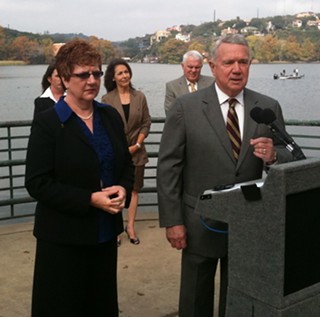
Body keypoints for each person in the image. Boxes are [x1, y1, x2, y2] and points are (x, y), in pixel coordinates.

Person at [157, 34, 294, 317]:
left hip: (250, 224)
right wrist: (173, 221)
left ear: (250, 64)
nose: (237, 68)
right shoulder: (186, 108)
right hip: (199, 223)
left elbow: (289, 152)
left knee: (240, 300)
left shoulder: (267, 107)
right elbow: (169, 167)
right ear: (212, 66)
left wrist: (273, 156)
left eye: (243, 62)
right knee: (196, 300)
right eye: (229, 62)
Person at [25, 40, 134, 317]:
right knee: (64, 306)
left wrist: (123, 187)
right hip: (63, 240)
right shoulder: (49, 122)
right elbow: (37, 182)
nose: (92, 80)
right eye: (83, 74)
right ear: (62, 77)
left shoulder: (109, 116)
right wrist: (89, 199)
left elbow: (126, 165)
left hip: (105, 235)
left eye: (96, 73)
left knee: (100, 306)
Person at [102, 58, 151, 246]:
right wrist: (122, 148)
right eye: (120, 73)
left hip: (137, 152)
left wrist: (137, 145)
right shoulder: (107, 99)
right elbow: (105, 127)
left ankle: (130, 226)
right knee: (115, 191)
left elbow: (146, 122)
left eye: (126, 72)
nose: (125, 76)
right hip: (115, 154)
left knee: (135, 190)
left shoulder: (140, 97)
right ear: (113, 78)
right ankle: (115, 229)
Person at [164, 50, 214, 114]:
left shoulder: (212, 83)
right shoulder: (172, 86)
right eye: (190, 67)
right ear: (182, 66)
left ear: (201, 67)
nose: (193, 70)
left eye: (197, 67)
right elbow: (171, 113)